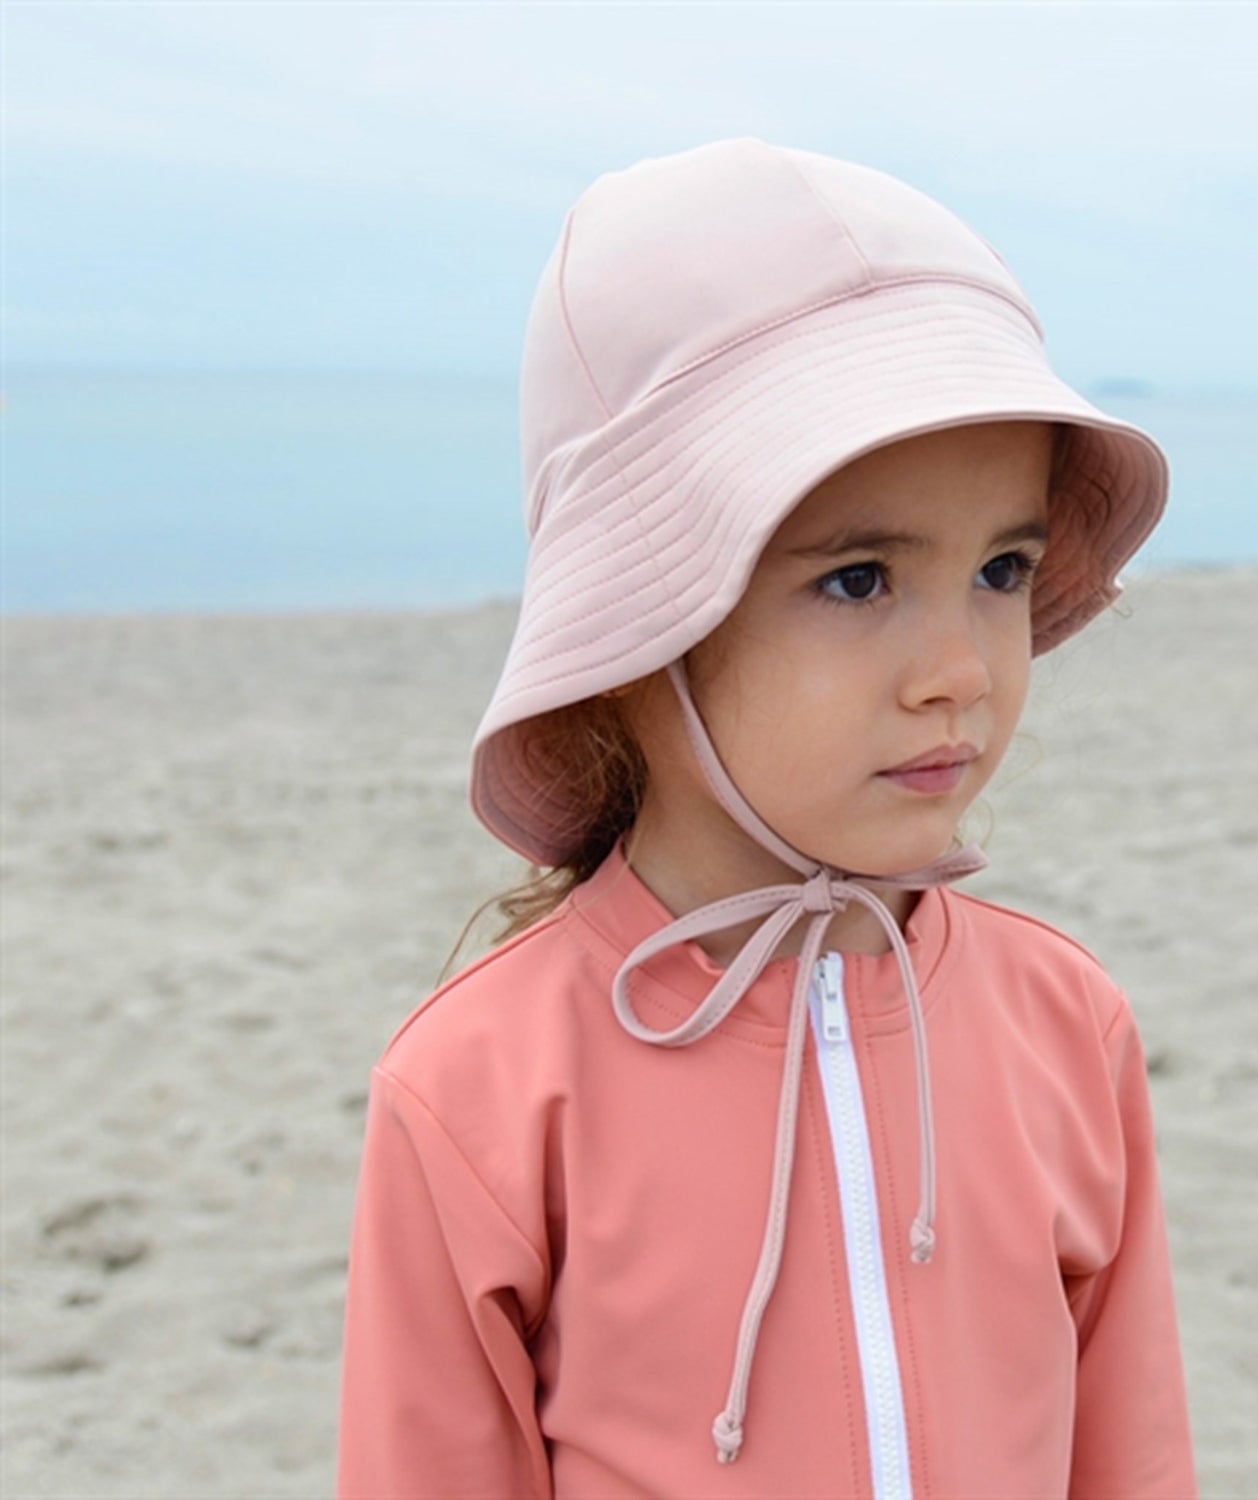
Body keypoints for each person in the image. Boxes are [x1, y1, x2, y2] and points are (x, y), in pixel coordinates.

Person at [337, 138, 1197, 1499]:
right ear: (641, 633)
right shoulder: (482, 1087)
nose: (962, 670)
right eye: (859, 580)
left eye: (1001, 568)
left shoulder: (1066, 1026)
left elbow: (1133, 1459)